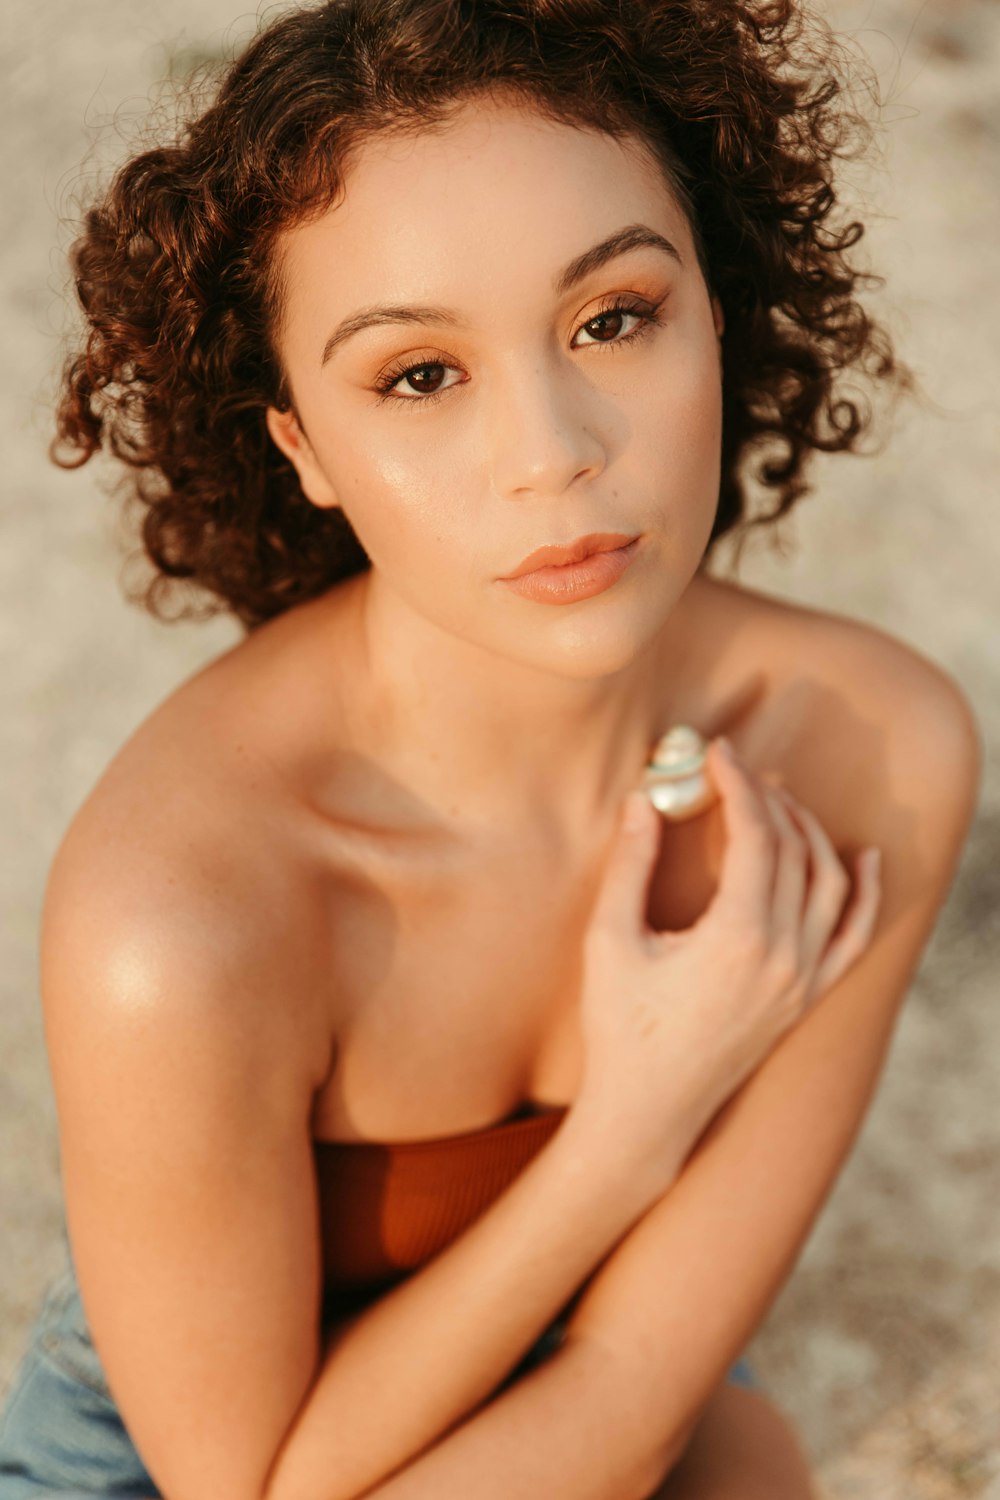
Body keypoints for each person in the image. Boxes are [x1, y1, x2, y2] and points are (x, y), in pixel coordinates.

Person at [0, 1, 981, 1497]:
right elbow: (258, 1489)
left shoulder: (871, 750)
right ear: (305, 449)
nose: (553, 451)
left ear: (714, 308)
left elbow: (643, 1387)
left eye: (612, 318)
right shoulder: (181, 913)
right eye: (418, 374)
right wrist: (635, 1126)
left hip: (594, 1359)